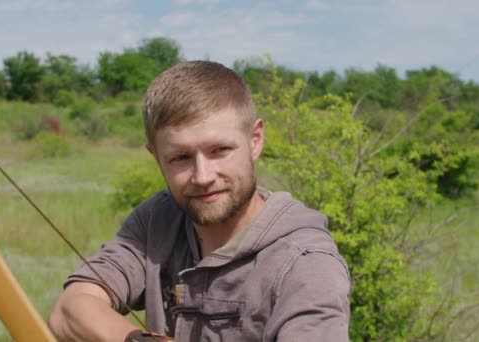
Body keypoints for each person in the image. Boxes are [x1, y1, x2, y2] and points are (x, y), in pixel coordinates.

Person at [49, 61, 351, 341]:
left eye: (220, 149)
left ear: (255, 140)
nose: (203, 176)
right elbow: (70, 309)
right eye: (181, 157)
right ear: (156, 156)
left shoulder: (306, 263)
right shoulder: (158, 220)